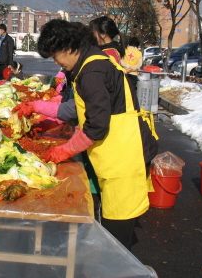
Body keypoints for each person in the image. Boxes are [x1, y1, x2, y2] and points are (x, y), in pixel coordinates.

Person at [37, 19, 158, 251]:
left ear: (69, 47)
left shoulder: (92, 71)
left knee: (117, 237)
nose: (57, 63)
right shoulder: (92, 62)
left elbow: (97, 126)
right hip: (116, 155)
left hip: (122, 160)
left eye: (56, 56)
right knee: (113, 224)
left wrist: (63, 150)